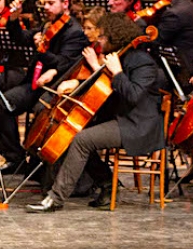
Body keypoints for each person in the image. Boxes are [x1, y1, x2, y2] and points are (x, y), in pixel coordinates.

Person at [28, 12, 164, 212]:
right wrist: (79, 82)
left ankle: (55, 198)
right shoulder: (120, 56)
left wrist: (117, 72)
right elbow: (105, 85)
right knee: (73, 134)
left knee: (83, 140)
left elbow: (133, 94)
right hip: (120, 119)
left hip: (138, 125)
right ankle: (108, 184)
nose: (99, 41)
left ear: (114, 36)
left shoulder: (142, 61)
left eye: (102, 37)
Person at [0, 0, 89, 172]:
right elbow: (21, 38)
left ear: (65, 4)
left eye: (51, 3)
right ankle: (16, 159)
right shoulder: (48, 25)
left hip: (56, 89)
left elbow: (62, 64)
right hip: (36, 84)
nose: (46, 7)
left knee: (39, 112)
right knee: (4, 104)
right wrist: (14, 18)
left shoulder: (74, 32)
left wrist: (41, 49)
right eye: (45, 3)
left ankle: (39, 164)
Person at [151, 0, 193, 83]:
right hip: (191, 62)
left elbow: (157, 41)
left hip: (180, 69)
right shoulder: (189, 5)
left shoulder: (173, 13)